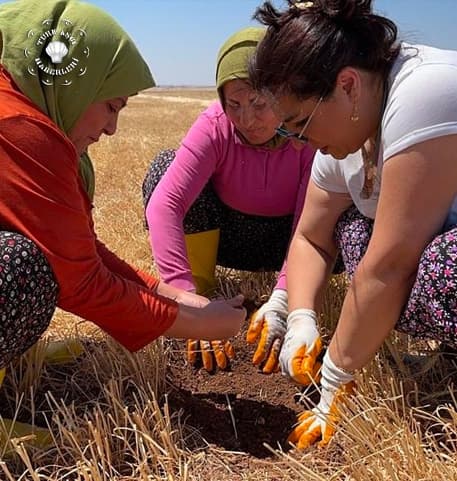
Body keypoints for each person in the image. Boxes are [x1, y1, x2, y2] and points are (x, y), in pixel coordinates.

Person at [0, 0, 246, 445]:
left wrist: (178, 298)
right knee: (21, 270)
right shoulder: (18, 126)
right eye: (111, 105)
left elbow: (80, 247)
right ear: (78, 81)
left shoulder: (21, 103)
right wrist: (202, 324)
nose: (112, 128)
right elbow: (83, 281)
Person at [249, 0, 457, 449]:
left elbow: (391, 264)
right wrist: (300, 313)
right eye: (290, 131)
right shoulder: (344, 141)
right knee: (355, 233)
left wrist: (335, 378)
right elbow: (310, 237)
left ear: (347, 85)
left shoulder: (425, 92)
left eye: (302, 123)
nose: (304, 144)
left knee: (444, 266)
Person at [142, 27, 315, 372]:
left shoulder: (310, 132)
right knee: (164, 167)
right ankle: (202, 286)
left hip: (294, 240)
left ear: (283, 92)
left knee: (346, 196)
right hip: (233, 237)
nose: (247, 120)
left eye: (259, 103)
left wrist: (285, 299)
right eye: (233, 104)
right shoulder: (216, 125)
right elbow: (165, 204)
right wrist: (188, 305)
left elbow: (309, 225)